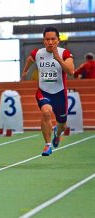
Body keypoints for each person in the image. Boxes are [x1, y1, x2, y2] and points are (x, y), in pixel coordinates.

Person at [21, 26, 74, 156]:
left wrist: (58, 59)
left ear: (58, 40)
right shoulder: (38, 53)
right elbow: (29, 59)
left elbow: (71, 72)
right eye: (47, 39)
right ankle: (47, 145)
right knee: (46, 112)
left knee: (63, 125)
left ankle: (57, 132)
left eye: (53, 39)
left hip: (60, 94)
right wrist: (25, 70)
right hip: (43, 92)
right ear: (43, 41)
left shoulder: (64, 53)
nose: (50, 42)